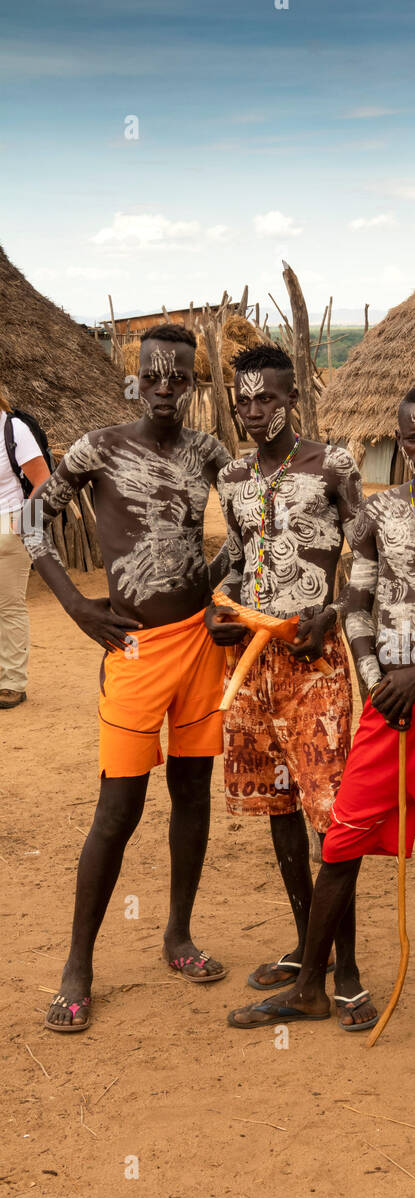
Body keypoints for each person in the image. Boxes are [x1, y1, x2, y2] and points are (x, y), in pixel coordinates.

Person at [226, 384, 415, 1046]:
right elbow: (353, 606)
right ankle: (309, 990)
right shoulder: (374, 516)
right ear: (396, 437)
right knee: (342, 839)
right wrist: (376, 680)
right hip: (386, 701)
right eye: (410, 437)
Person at [24, 324, 234, 1032]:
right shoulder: (100, 447)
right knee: (118, 810)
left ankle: (177, 934)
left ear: (196, 384)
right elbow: (32, 520)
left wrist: (215, 591)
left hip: (200, 647)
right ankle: (78, 964)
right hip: (135, 652)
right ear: (135, 379)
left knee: (193, 794)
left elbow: (250, 526)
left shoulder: (209, 453)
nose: (167, 388)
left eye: (181, 377)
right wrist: (78, 605)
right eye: (155, 376)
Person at [207, 344, 375, 1029]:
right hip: (250, 662)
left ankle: (350, 971)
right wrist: (221, 603)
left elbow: (369, 554)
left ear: (293, 397)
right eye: (243, 400)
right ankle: (312, 949)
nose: (253, 411)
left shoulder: (332, 465)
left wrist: (332, 613)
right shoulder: (231, 476)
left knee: (330, 816)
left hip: (315, 661)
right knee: (277, 805)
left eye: (267, 399)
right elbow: (242, 556)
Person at [0, 387, 50, 708]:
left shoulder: (13, 429)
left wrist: (25, 530)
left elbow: (43, 479)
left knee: (9, 606)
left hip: (9, 523)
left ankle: (12, 682)